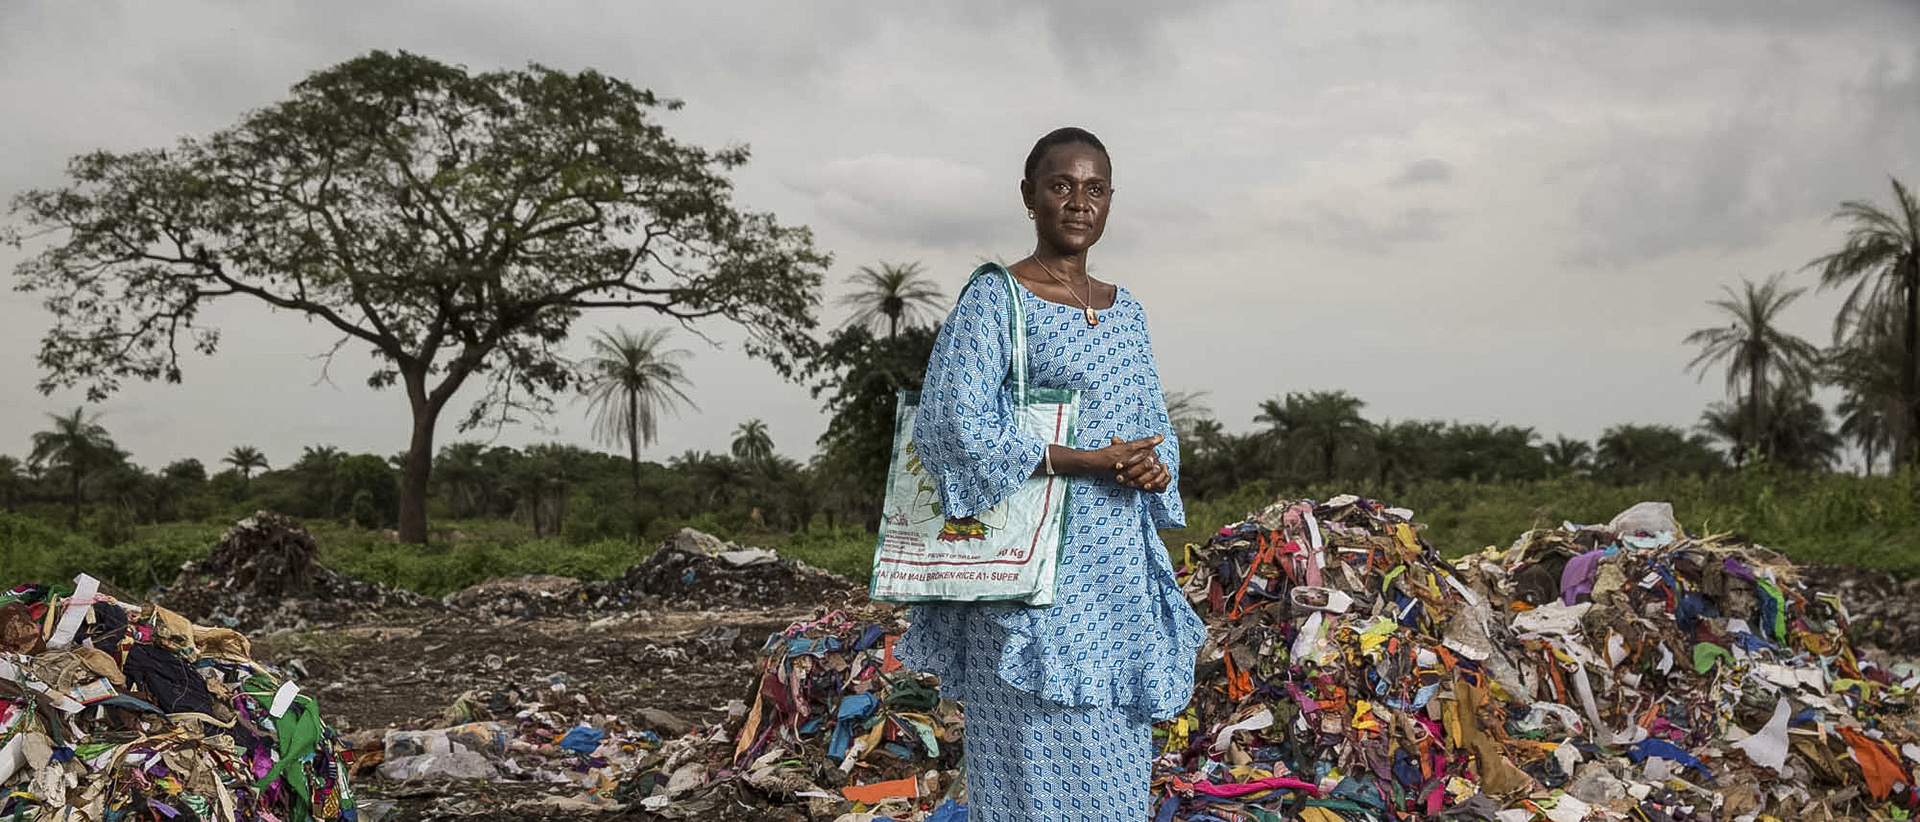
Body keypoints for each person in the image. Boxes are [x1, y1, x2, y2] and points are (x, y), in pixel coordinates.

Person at [894, 127, 1207, 821]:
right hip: (1030, 577)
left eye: (1095, 189)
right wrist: (1081, 461)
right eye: (1061, 186)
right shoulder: (996, 299)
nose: (1078, 202)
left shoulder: (1127, 311)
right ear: (1029, 196)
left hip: (1116, 574)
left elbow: (1154, 420)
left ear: (1110, 201)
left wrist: (1154, 467)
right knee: (1033, 765)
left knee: (1116, 763)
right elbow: (950, 422)